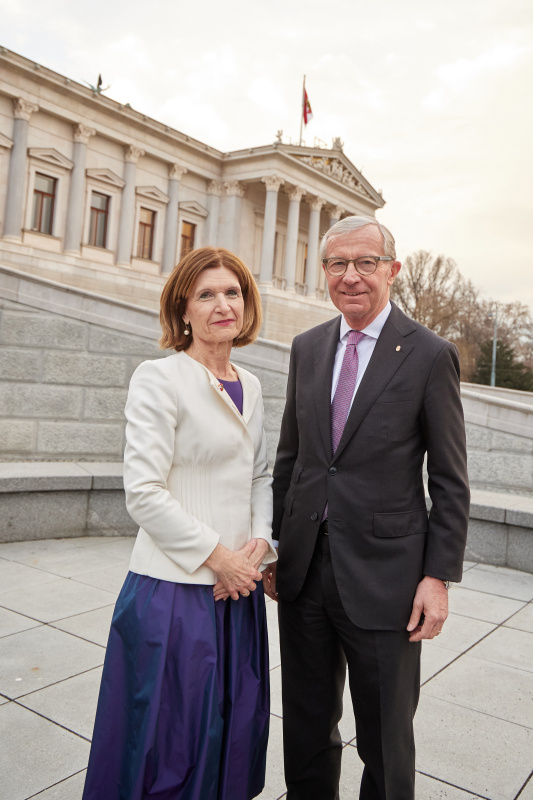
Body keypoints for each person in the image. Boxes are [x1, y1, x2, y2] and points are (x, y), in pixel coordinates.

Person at [263, 216, 470, 800]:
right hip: (303, 575)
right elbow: (293, 458)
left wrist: (438, 577)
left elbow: (450, 479)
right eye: (337, 264)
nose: (350, 276)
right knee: (305, 728)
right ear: (324, 271)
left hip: (387, 580)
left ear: (392, 271)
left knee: (384, 737)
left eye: (365, 263)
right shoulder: (307, 348)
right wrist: (277, 547)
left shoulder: (430, 355)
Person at [82, 246, 277, 800]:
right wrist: (222, 559)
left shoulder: (253, 385)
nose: (223, 304)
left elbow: (259, 475)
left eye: (233, 292)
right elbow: (143, 493)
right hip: (175, 593)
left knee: (231, 735)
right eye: (207, 294)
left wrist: (259, 548)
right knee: (165, 749)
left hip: (237, 594)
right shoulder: (159, 377)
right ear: (182, 310)